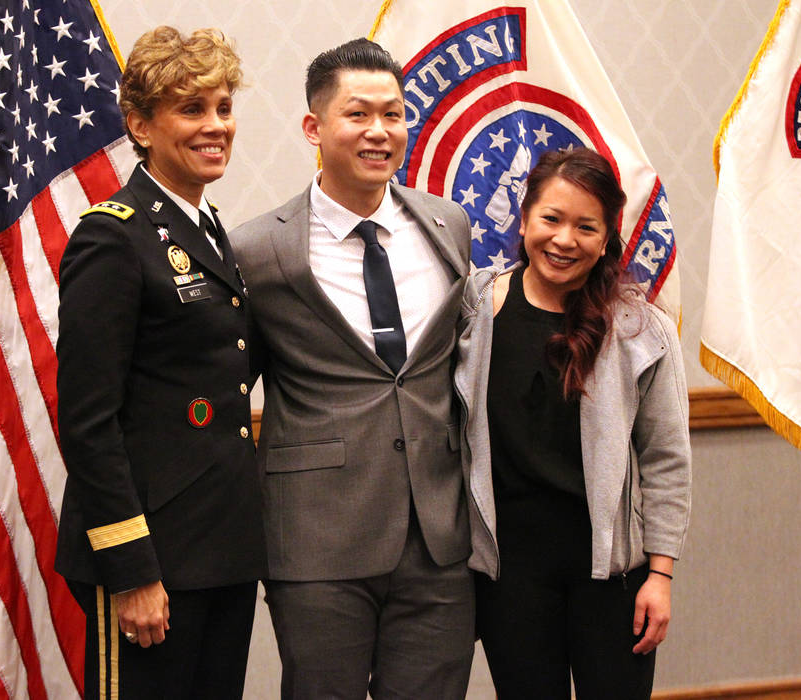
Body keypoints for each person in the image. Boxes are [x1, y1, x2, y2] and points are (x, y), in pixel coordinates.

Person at [230, 38, 475, 700]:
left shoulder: (448, 226)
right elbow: (227, 394)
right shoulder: (257, 249)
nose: (379, 132)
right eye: (358, 113)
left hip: (439, 538)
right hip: (315, 541)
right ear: (314, 127)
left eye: (393, 114)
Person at [53, 26, 265, 699]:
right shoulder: (113, 236)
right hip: (153, 560)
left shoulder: (206, 228)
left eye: (223, 107)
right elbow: (89, 423)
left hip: (221, 552)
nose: (215, 126)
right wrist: (130, 569)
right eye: (191, 109)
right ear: (141, 125)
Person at [456, 147, 691, 699]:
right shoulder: (475, 308)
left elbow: (667, 459)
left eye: (586, 226)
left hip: (612, 578)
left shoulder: (640, 328)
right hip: (507, 577)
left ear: (608, 237)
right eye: (551, 220)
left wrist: (661, 575)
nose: (565, 240)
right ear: (524, 220)